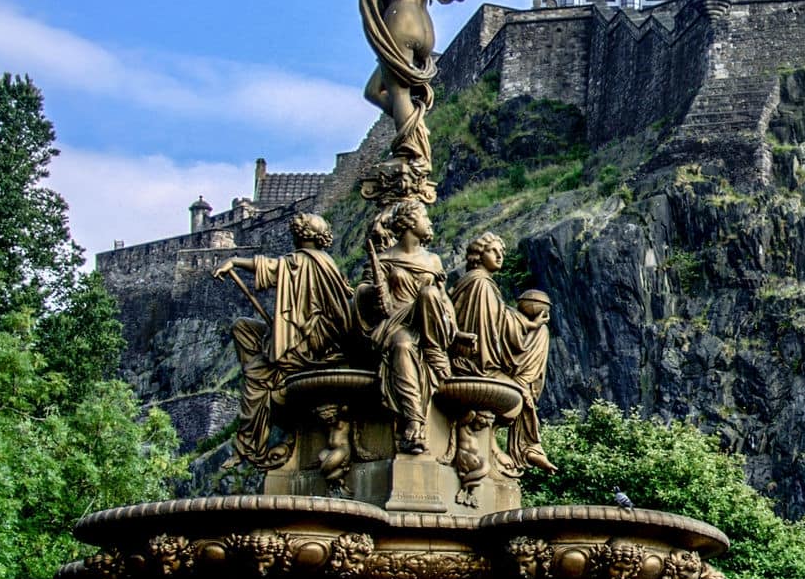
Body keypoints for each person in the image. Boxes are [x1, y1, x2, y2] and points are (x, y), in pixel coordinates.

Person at [214, 213, 353, 469]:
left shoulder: (302, 261)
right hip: (309, 337)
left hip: (306, 345)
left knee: (255, 380)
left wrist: (233, 260)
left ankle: (248, 447)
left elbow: (270, 266)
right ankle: (266, 367)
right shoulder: (326, 262)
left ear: (300, 235)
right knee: (243, 328)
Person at [448, 232, 557, 474]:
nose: (499, 256)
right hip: (478, 362)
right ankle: (526, 447)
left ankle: (523, 446)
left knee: (540, 334)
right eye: (492, 251)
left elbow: (501, 317)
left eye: (501, 252)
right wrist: (529, 324)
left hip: (477, 358)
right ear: (479, 255)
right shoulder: (480, 284)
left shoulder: (481, 284)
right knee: (520, 392)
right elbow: (494, 324)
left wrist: (530, 324)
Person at [359, 199, 458, 454]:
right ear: (410, 222)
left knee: (428, 293)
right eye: (425, 217)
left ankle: (434, 350)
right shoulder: (384, 259)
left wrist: (455, 330)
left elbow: (443, 298)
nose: (430, 222)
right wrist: (373, 292)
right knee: (402, 346)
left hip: (427, 323)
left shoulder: (433, 261)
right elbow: (363, 295)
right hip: (396, 322)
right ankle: (414, 421)